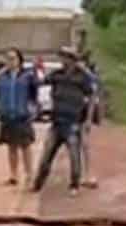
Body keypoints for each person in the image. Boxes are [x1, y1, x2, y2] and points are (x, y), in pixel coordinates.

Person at [32, 46, 92, 198]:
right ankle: (38, 183)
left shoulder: (82, 77)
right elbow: (41, 82)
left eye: (66, 57)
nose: (63, 60)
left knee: (74, 155)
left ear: (73, 60)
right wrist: (35, 71)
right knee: (46, 155)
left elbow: (91, 97)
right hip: (57, 121)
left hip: (73, 121)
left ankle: (74, 184)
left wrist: (88, 119)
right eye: (62, 57)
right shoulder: (57, 75)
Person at [0, 48, 38, 189]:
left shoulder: (27, 76)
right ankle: (13, 175)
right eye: (8, 58)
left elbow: (34, 93)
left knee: (25, 145)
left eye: (13, 58)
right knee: (11, 146)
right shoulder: (1, 77)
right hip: (7, 115)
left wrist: (32, 108)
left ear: (19, 60)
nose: (10, 61)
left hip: (22, 115)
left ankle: (29, 174)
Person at [79, 50, 101, 189]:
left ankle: (87, 174)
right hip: (72, 112)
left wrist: (88, 119)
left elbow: (93, 98)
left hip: (83, 112)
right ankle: (79, 174)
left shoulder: (89, 77)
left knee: (84, 144)